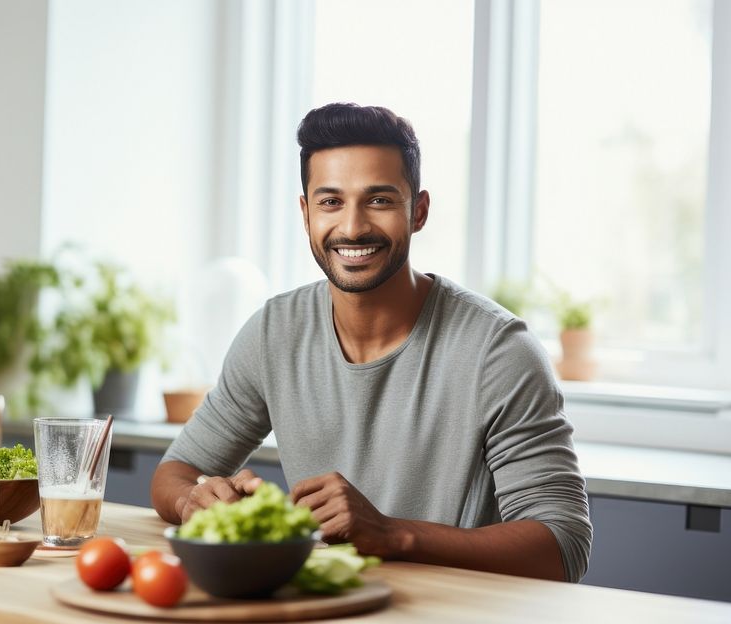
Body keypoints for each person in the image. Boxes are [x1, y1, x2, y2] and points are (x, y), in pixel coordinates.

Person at [151, 103, 592, 583]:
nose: (353, 227)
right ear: (306, 214)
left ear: (418, 211)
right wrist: (194, 499)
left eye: (379, 200)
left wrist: (391, 534)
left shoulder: (498, 350)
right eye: (330, 201)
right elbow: (176, 471)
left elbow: (563, 546)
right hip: (323, 617)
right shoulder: (273, 331)